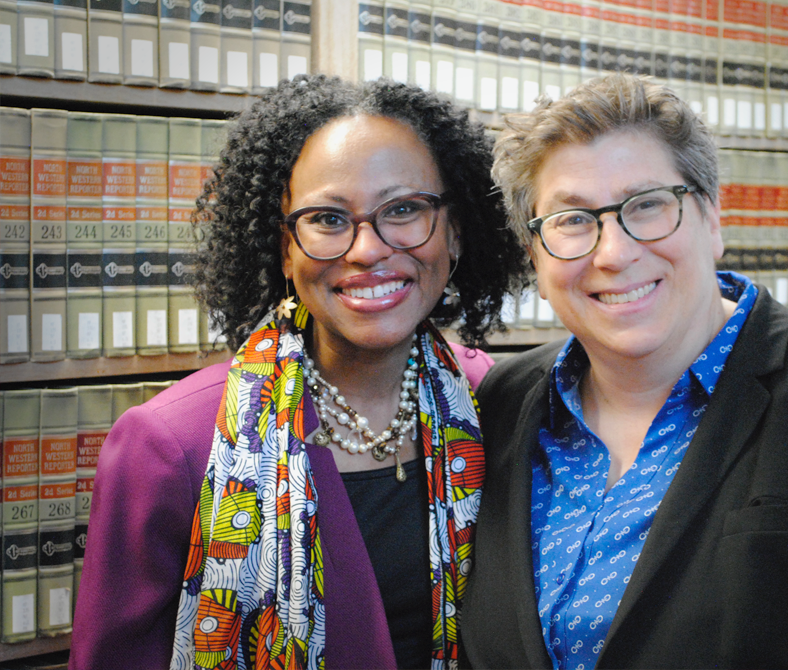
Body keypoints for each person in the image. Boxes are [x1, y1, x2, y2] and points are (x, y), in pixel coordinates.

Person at [460, 73, 788, 669]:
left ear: (712, 218)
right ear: (533, 253)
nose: (613, 252)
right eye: (572, 221)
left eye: (647, 205)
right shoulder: (499, 406)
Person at [70, 74, 529, 670]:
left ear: (456, 231)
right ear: (285, 248)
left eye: (405, 209)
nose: (367, 249)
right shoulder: (170, 445)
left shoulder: (495, 405)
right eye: (329, 220)